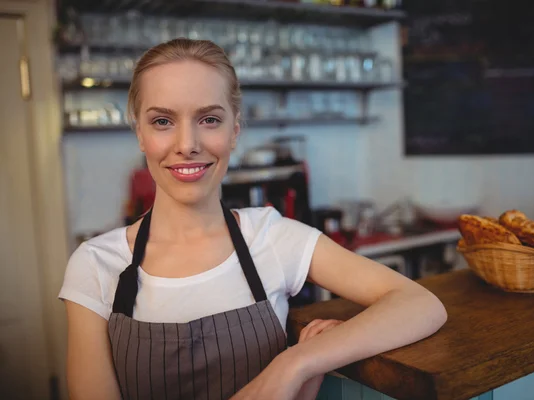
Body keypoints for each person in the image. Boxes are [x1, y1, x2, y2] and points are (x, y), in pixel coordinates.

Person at [59, 38, 447, 400]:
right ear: (140, 134)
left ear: (234, 132)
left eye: (209, 119)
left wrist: (296, 363)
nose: (187, 144)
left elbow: (421, 304)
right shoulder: (96, 265)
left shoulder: (273, 238)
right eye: (163, 121)